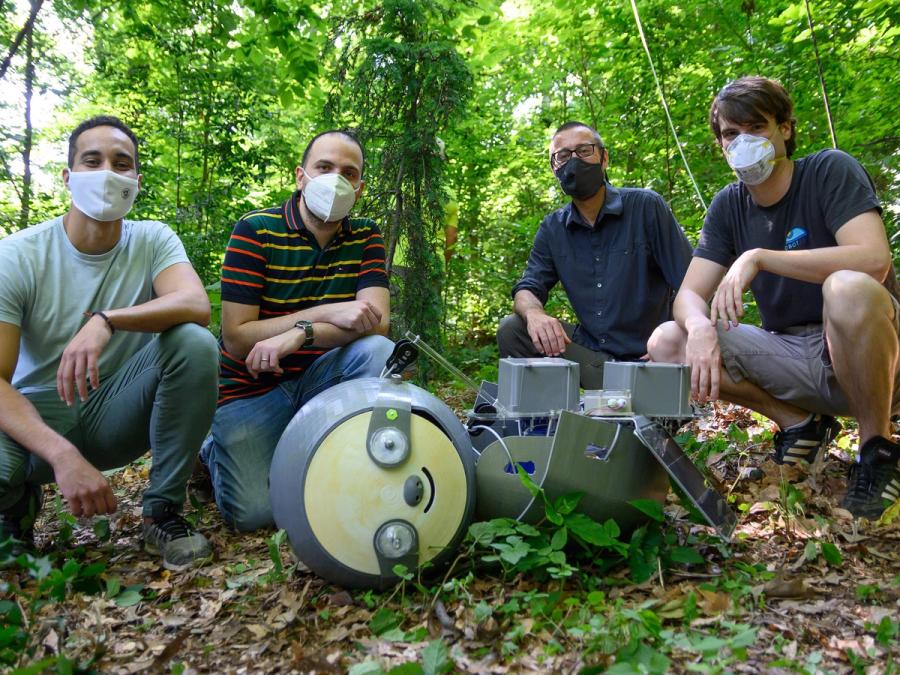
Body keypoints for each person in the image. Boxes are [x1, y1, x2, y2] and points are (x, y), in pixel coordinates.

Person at [648, 76, 900, 520]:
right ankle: (798, 422)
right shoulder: (728, 206)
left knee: (846, 286)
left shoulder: (828, 171)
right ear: (720, 145)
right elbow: (688, 293)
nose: (743, 141)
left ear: (785, 128)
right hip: (791, 352)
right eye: (730, 133)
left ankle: (875, 449)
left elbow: (874, 260)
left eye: (756, 128)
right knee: (669, 341)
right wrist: (701, 325)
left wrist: (760, 258)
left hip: (871, 351)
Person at [0, 116, 219, 569]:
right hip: (38, 418)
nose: (107, 173)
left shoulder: (152, 240)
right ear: (67, 176)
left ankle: (162, 512)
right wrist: (62, 456)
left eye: (122, 164)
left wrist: (106, 321)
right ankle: (13, 510)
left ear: (136, 180)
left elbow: (196, 304)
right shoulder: (18, 255)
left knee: (195, 343)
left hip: (116, 409)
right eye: (92, 160)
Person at [201, 129, 393, 532]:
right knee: (256, 515)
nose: (336, 178)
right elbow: (236, 337)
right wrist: (328, 311)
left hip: (322, 382)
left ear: (359, 188)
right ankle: (210, 450)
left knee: (377, 350)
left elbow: (377, 323)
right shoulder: (255, 231)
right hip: (250, 392)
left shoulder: (366, 236)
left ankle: (338, 454)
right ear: (301, 176)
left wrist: (301, 334)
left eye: (349, 172)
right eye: (324, 167)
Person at [498, 121, 692, 388]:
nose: (574, 161)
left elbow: (691, 283)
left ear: (604, 158)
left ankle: (651, 400)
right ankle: (551, 420)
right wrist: (534, 314)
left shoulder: (645, 207)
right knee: (513, 329)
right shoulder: (553, 228)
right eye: (563, 156)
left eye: (584, 150)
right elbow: (528, 287)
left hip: (652, 358)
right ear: (555, 169)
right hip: (594, 360)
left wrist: (677, 338)